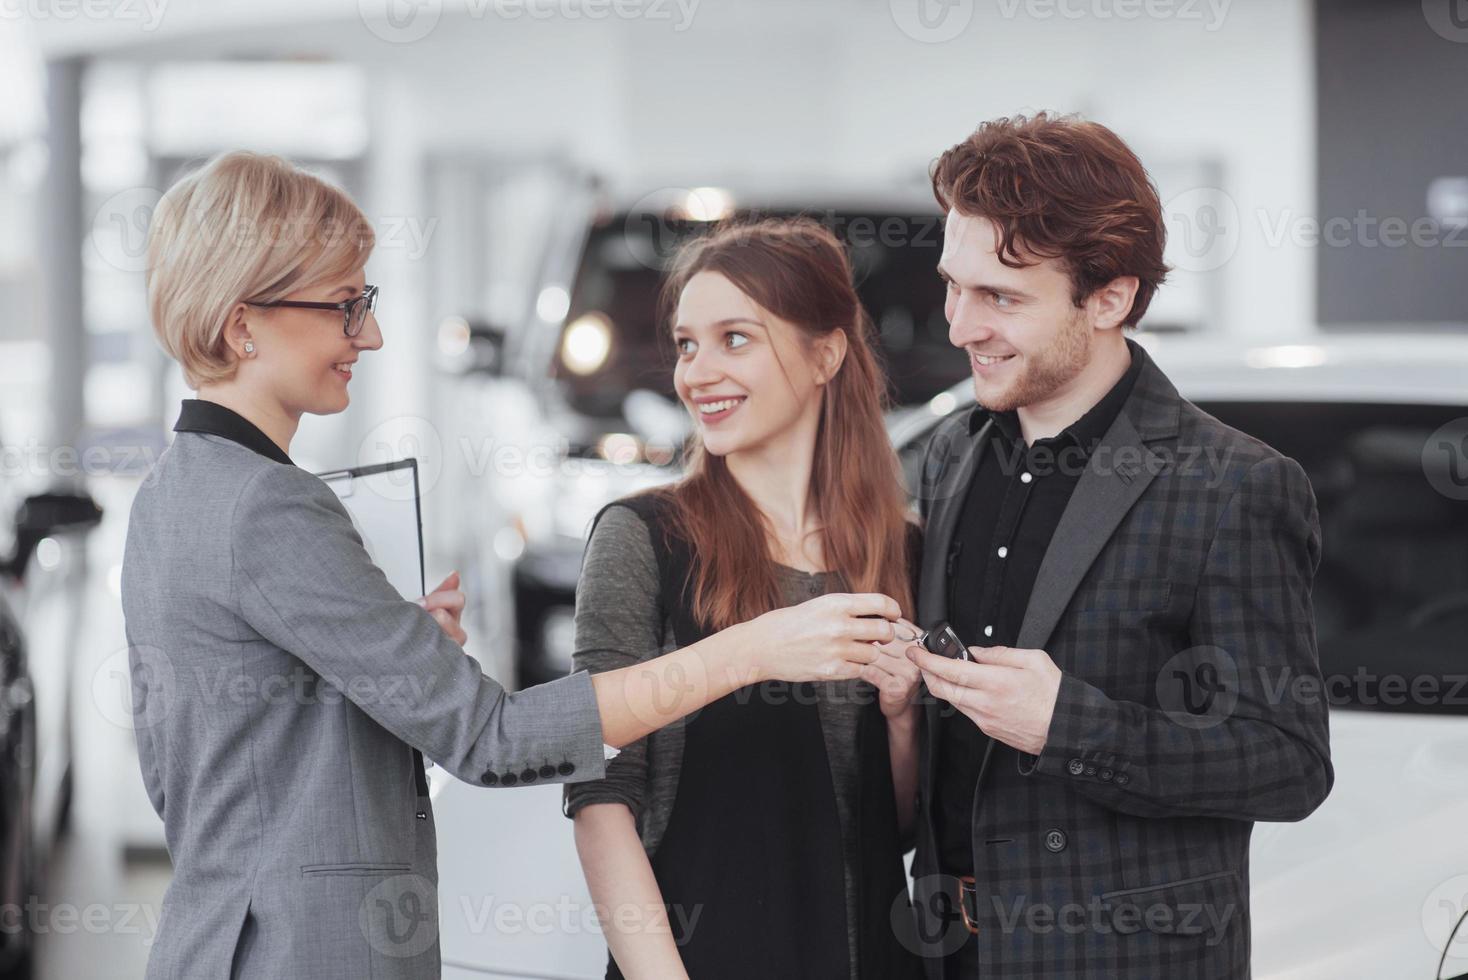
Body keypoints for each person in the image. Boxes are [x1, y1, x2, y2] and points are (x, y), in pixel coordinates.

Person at [120, 152, 902, 980]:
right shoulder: (274, 508)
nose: (371, 335)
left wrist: (386, 666)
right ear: (244, 325)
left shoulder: (175, 492)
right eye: (345, 306)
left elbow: (205, 772)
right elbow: (492, 740)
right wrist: (753, 650)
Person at [902, 113, 1334, 979]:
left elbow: (1289, 765)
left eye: (1001, 298)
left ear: (1110, 298)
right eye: (954, 285)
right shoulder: (951, 451)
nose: (958, 327)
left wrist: (1068, 725)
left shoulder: (1235, 485)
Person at [566, 218, 926, 980]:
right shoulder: (643, 538)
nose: (695, 373)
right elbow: (601, 798)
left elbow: (892, 827)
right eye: (687, 344)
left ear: (825, 354)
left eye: (735, 338)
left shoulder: (903, 552)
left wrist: (901, 723)